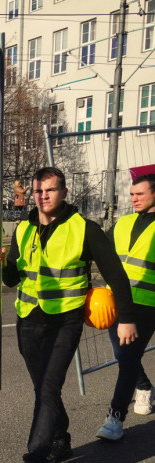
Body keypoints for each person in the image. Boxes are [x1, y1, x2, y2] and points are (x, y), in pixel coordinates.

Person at [0, 166, 137, 463]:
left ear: (64, 193)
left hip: (65, 321)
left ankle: (36, 460)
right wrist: (3, 264)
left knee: (48, 388)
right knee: (43, 387)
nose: (43, 196)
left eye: (50, 190)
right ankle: (60, 436)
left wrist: (125, 317)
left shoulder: (85, 229)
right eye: (38, 191)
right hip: (28, 318)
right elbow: (14, 278)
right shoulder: (24, 229)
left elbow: (116, 276)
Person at [96, 173, 155, 440]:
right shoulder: (123, 222)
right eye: (132, 194)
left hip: (147, 305)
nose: (134, 199)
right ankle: (144, 387)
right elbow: (98, 248)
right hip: (116, 300)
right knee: (123, 356)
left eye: (140, 194)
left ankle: (115, 418)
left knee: (128, 358)